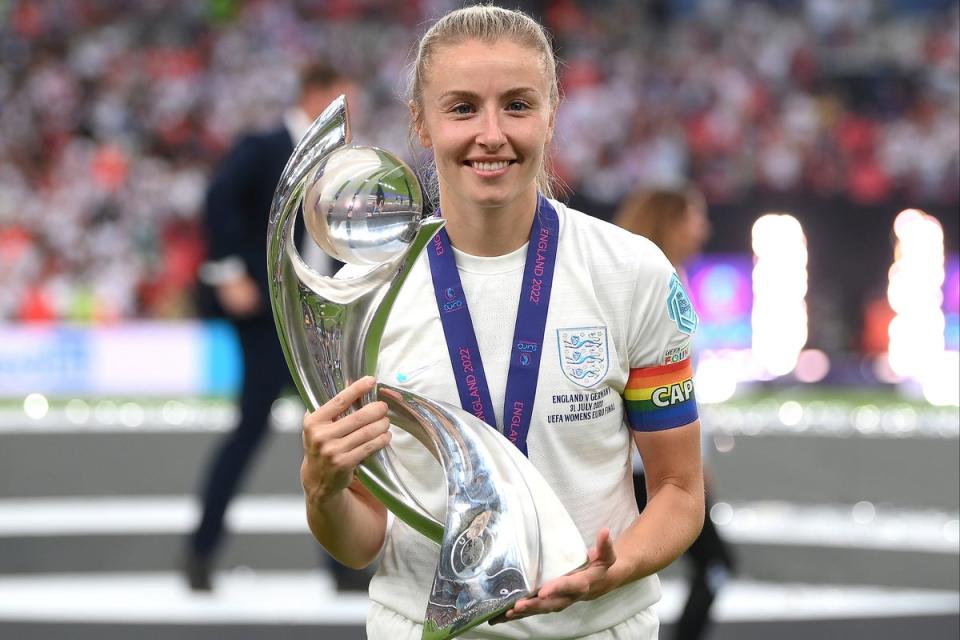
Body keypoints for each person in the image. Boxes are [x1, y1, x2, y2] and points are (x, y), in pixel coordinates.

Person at [301, 6, 704, 639]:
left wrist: (613, 568)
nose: (492, 134)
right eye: (462, 108)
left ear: (551, 114)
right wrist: (323, 491)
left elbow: (680, 490)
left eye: (517, 105)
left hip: (598, 628)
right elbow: (360, 541)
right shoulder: (366, 299)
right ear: (422, 123)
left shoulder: (632, 271)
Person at [185, 62, 369, 592]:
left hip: (321, 320)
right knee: (253, 429)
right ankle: (201, 549)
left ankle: (342, 563)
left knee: (331, 435)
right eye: (343, 99)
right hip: (267, 317)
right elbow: (219, 201)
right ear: (316, 94)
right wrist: (228, 272)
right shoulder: (266, 145)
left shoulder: (343, 161)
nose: (348, 113)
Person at [614, 187, 736, 640]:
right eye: (694, 216)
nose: (702, 227)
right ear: (669, 221)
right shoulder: (640, 286)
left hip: (662, 463)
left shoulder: (670, 280)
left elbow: (679, 392)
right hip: (644, 469)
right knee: (712, 566)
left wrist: (697, 463)